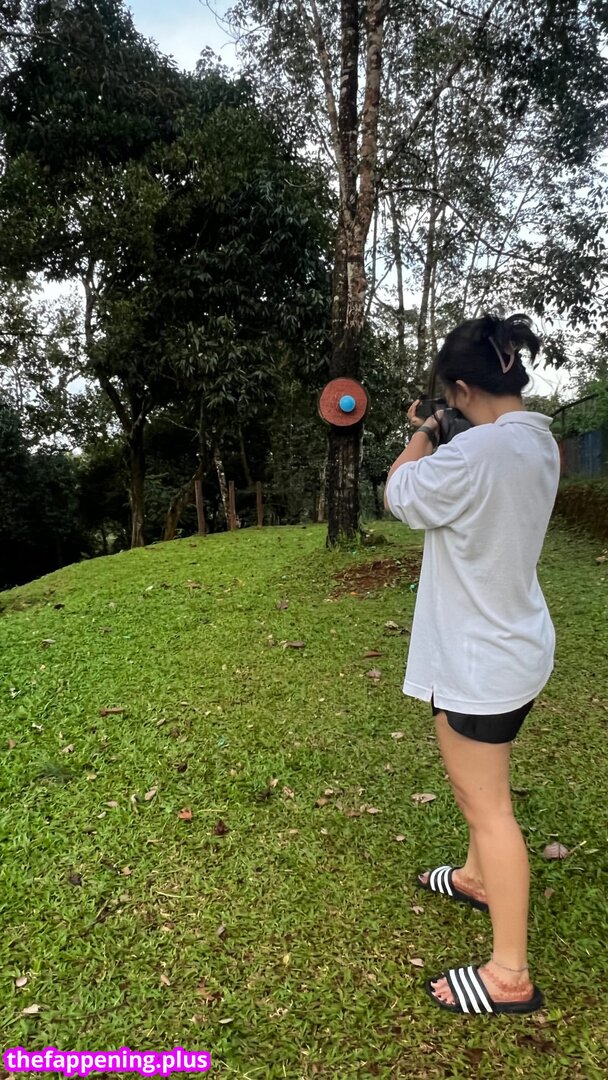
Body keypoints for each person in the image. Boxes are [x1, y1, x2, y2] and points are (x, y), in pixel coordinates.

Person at [384, 314, 560, 1016]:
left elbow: (399, 492)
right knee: (487, 786)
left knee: (487, 807)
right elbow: (484, 470)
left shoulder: (471, 453)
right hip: (514, 645)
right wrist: (453, 426)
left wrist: (426, 430)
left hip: (480, 660)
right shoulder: (538, 441)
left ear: (460, 388)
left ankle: (509, 974)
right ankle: (477, 877)